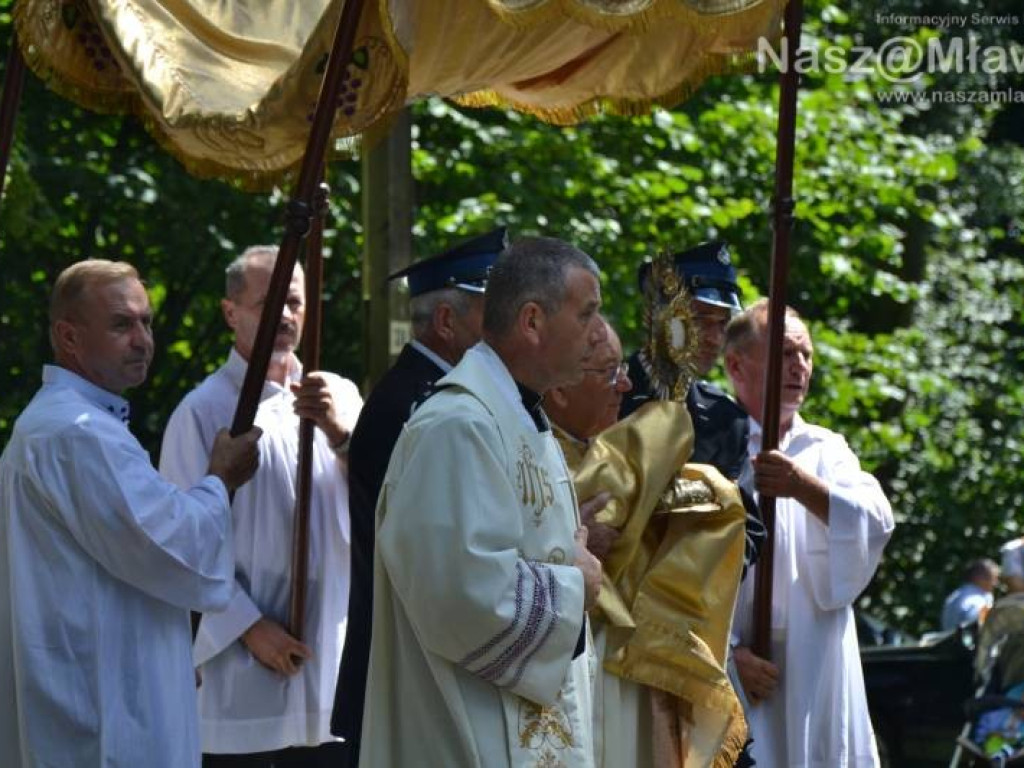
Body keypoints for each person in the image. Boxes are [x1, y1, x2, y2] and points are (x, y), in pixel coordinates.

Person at [0, 259, 261, 768]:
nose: (143, 340)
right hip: (103, 708)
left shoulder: (65, 425)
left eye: (147, 322)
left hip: (99, 686)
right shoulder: (78, 433)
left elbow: (128, 558)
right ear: (69, 337)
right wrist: (220, 480)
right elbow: (175, 545)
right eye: (122, 324)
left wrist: (162, 653)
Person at [358, 236, 606, 767]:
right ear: (533, 321)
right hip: (462, 734)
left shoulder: (521, 418)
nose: (599, 334)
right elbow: (461, 593)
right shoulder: (457, 425)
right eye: (587, 314)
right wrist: (575, 585)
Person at [160, 246, 362, 766]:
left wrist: (340, 435)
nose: (285, 315)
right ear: (231, 313)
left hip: (328, 659)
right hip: (243, 670)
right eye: (267, 303)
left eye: (294, 301)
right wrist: (248, 626)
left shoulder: (338, 394)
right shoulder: (202, 412)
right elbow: (182, 543)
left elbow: (382, 503)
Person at [331, 228, 505, 765]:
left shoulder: (440, 397)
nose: (503, 330)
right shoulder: (417, 407)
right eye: (488, 313)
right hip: (404, 658)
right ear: (447, 322)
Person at [724, 299, 895, 768]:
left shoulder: (826, 450)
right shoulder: (713, 442)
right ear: (737, 365)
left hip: (814, 659)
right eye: (784, 354)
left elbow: (875, 519)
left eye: (806, 355)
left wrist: (803, 487)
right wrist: (727, 656)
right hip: (737, 667)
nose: (800, 366)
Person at [620, 242, 764, 577]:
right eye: (701, 319)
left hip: (684, 612)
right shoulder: (605, 392)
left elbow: (749, 531)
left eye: (722, 323)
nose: (715, 337)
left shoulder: (727, 420)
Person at [941, 558, 1000, 630]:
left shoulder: (955, 596)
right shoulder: (978, 601)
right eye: (993, 579)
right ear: (980, 578)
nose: (996, 584)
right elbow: (979, 628)